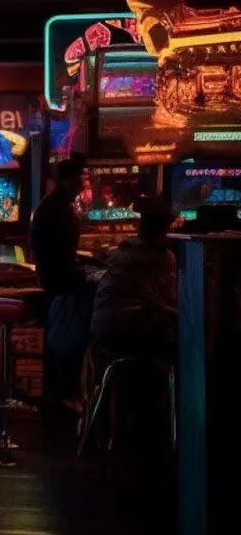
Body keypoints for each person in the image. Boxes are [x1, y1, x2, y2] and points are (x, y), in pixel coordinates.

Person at [30, 156, 90, 416]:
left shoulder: (58, 204)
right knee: (67, 339)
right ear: (68, 179)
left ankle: (66, 392)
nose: (83, 182)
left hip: (58, 278)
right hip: (59, 282)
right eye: (80, 177)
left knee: (67, 337)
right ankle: (64, 394)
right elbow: (58, 252)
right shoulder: (56, 208)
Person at [89, 194, 178, 364]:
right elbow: (168, 303)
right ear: (164, 230)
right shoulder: (162, 259)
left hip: (102, 330)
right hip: (134, 333)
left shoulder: (120, 252)